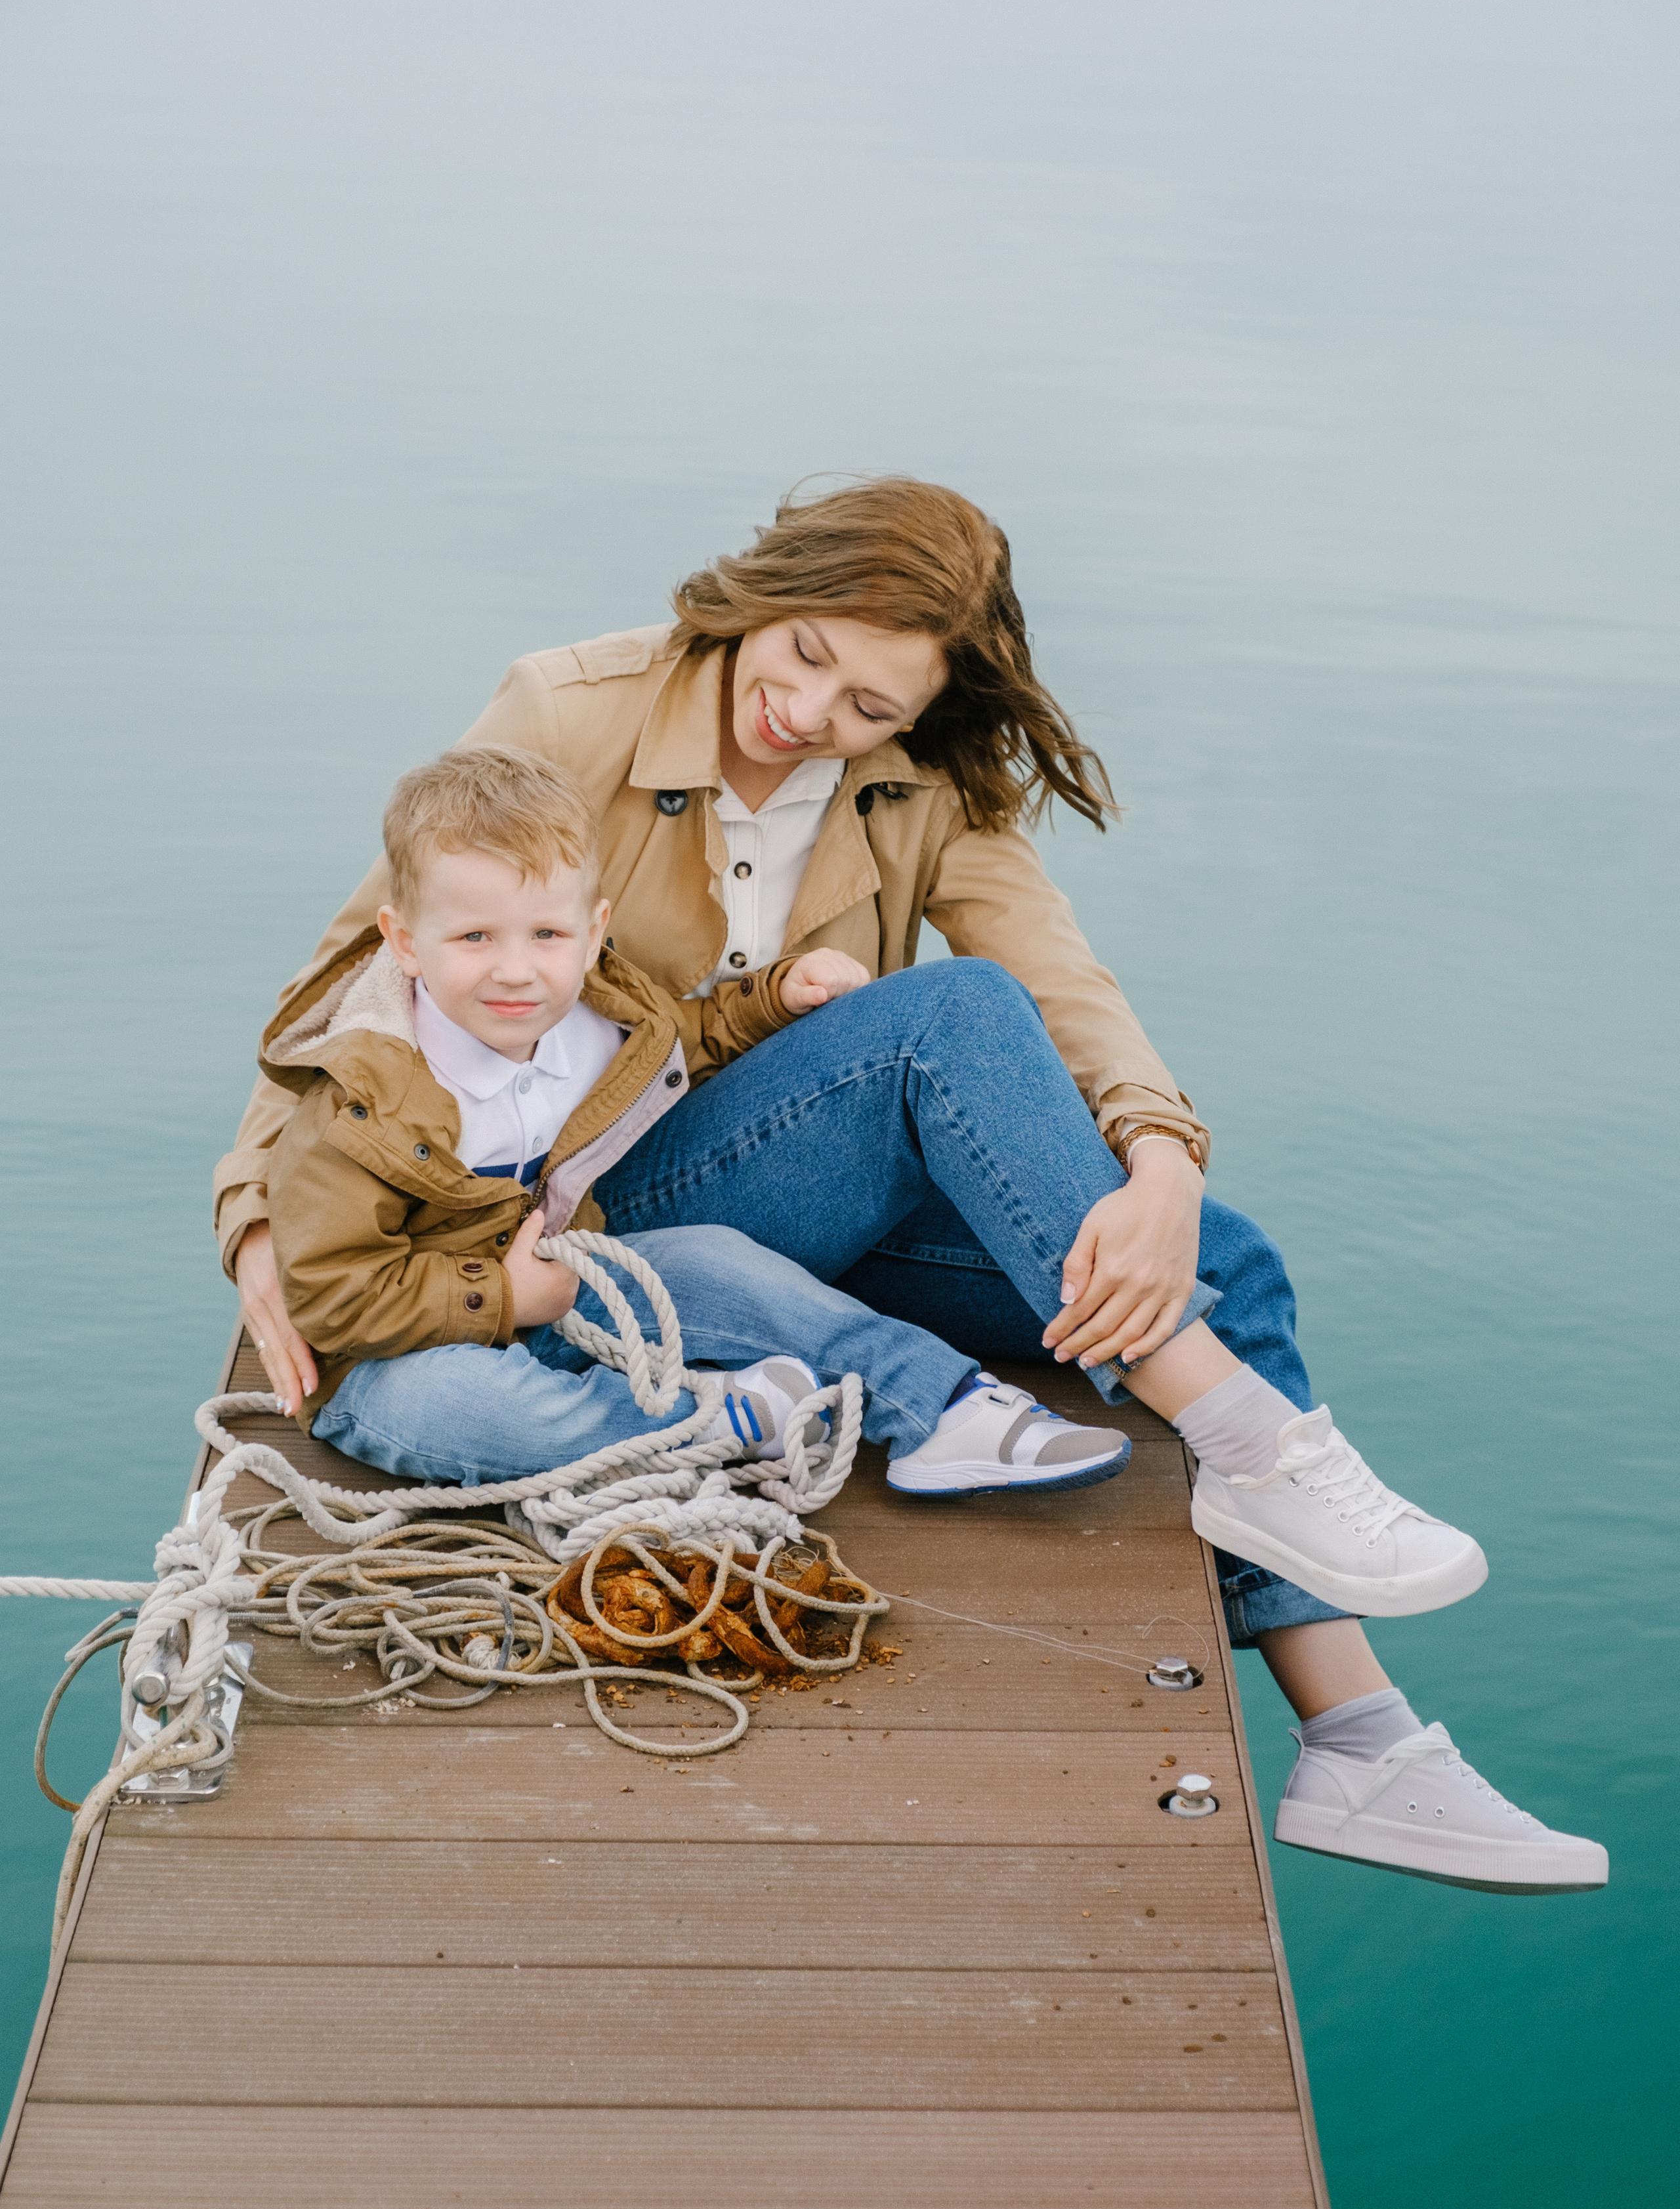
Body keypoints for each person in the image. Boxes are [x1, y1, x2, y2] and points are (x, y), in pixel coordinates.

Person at [220, 478, 1607, 1894]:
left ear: (920, 716)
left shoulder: (924, 783)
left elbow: (1061, 973)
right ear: (770, 591)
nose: (811, 713)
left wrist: (1162, 1162)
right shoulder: (572, 709)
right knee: (947, 1016)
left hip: (785, 1190)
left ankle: (1360, 1745)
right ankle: (1257, 1446)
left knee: (1213, 1259)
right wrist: (256, 1218)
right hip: (592, 1216)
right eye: (806, 654)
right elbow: (352, 974)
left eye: (869, 706)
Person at [263, 742, 1140, 1495]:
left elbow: (686, 1040)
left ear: (593, 926)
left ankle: (939, 1406)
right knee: (464, 1411)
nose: (517, 972)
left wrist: (767, 1001)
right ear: (405, 941)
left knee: (720, 1263)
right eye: (474, 939)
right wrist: (500, 1296)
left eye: (547, 936)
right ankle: (706, 1421)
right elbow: (334, 1294)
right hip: (399, 1352)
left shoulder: (592, 1019)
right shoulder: (359, 1102)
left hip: (569, 1284)